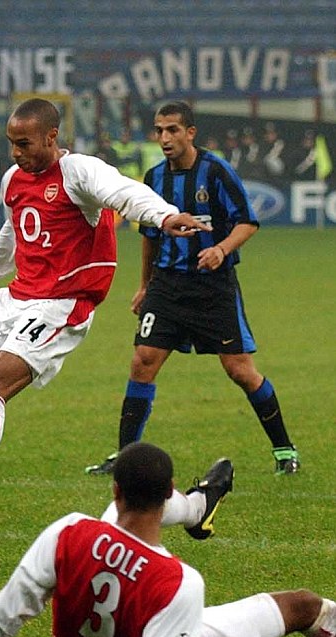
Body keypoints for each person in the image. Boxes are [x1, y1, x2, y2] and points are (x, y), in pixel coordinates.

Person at [0, 97, 211, 537]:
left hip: (62, 304)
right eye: (12, 143)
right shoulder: (14, 179)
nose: (16, 153)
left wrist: (163, 216)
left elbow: (123, 192)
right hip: (16, 297)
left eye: (24, 143)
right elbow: (13, 234)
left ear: (51, 137)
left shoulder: (79, 173)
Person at [0, 443, 336, 637]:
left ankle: (200, 505)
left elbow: (9, 608)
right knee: (302, 605)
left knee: (109, 527)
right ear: (168, 491)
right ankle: (198, 505)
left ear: (115, 489)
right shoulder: (180, 581)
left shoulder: (69, 532)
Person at [85, 102, 299, 477]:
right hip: (167, 287)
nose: (164, 138)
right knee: (142, 362)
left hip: (213, 288)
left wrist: (220, 249)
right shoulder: (154, 178)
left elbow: (248, 222)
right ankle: (125, 456)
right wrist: (144, 286)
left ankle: (284, 449)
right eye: (159, 130)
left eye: (172, 130)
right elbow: (150, 235)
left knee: (240, 370)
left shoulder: (215, 172)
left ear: (190, 133)